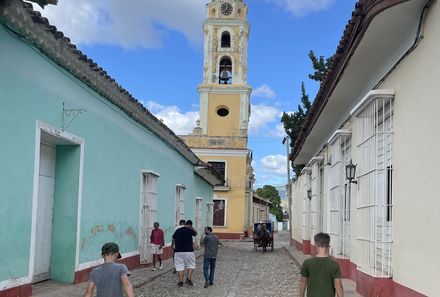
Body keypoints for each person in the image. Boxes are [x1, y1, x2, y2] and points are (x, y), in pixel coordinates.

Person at [300, 232, 344, 297]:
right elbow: (338, 285)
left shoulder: (307, 263)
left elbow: (303, 283)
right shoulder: (334, 264)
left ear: (315, 244)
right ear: (328, 245)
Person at [172, 219, 197, 288]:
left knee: (180, 266)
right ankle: (188, 279)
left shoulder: (177, 230)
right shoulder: (190, 230)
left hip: (178, 251)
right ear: (190, 225)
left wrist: (173, 245)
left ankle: (180, 282)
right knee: (191, 265)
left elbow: (173, 238)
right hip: (188, 251)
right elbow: (195, 233)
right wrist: (191, 228)